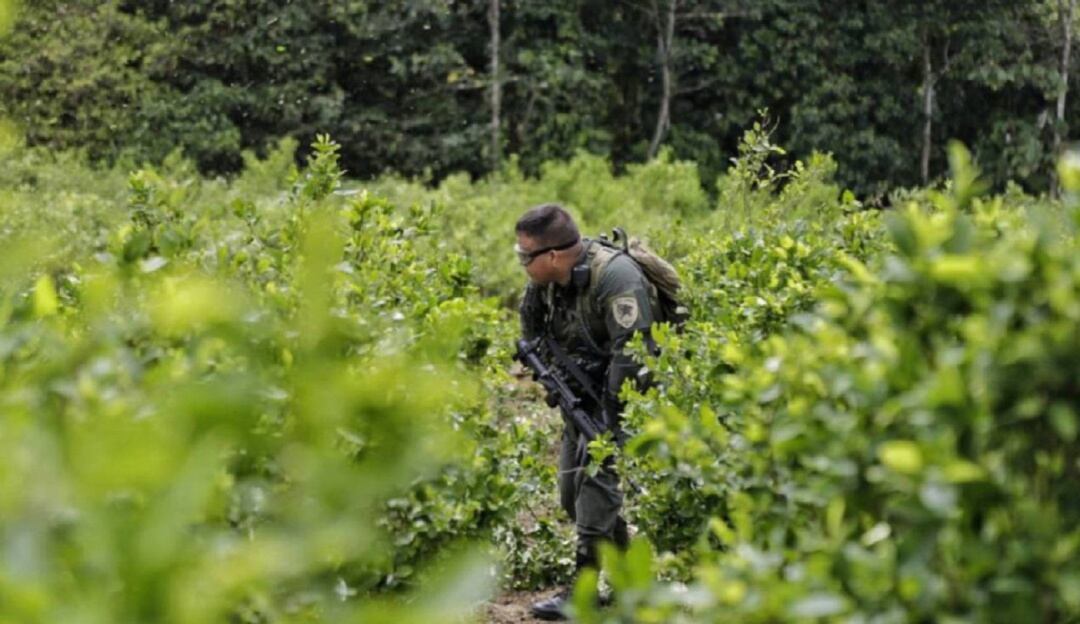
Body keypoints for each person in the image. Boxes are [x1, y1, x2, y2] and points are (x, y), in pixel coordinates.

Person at [515, 203, 660, 621]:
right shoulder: (544, 284)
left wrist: (609, 424)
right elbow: (531, 329)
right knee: (570, 495)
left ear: (555, 255)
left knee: (597, 489)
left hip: (627, 397)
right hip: (580, 397)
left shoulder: (616, 277)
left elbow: (634, 356)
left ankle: (582, 591)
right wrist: (556, 379)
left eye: (526, 256)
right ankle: (634, 581)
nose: (522, 263)